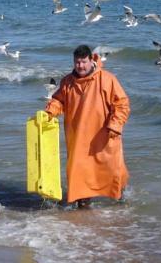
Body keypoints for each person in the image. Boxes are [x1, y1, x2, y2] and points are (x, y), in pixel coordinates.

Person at [45, 45, 130, 208]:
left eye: (84, 62)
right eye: (77, 62)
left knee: (112, 172)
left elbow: (122, 104)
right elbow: (58, 101)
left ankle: (121, 206)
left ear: (91, 60)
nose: (80, 66)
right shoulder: (67, 82)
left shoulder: (107, 79)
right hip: (78, 139)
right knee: (79, 175)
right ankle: (83, 212)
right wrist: (49, 112)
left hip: (105, 135)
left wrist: (115, 124)